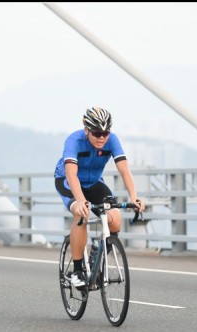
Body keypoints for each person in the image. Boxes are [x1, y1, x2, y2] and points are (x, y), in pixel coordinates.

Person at [54, 106, 145, 288]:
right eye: (97, 133)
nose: (102, 137)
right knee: (81, 213)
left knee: (115, 219)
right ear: (87, 130)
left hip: (94, 182)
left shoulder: (112, 140)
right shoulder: (74, 140)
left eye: (105, 133)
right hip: (68, 181)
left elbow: (124, 169)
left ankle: (97, 251)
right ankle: (77, 271)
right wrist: (80, 201)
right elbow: (71, 174)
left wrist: (134, 197)